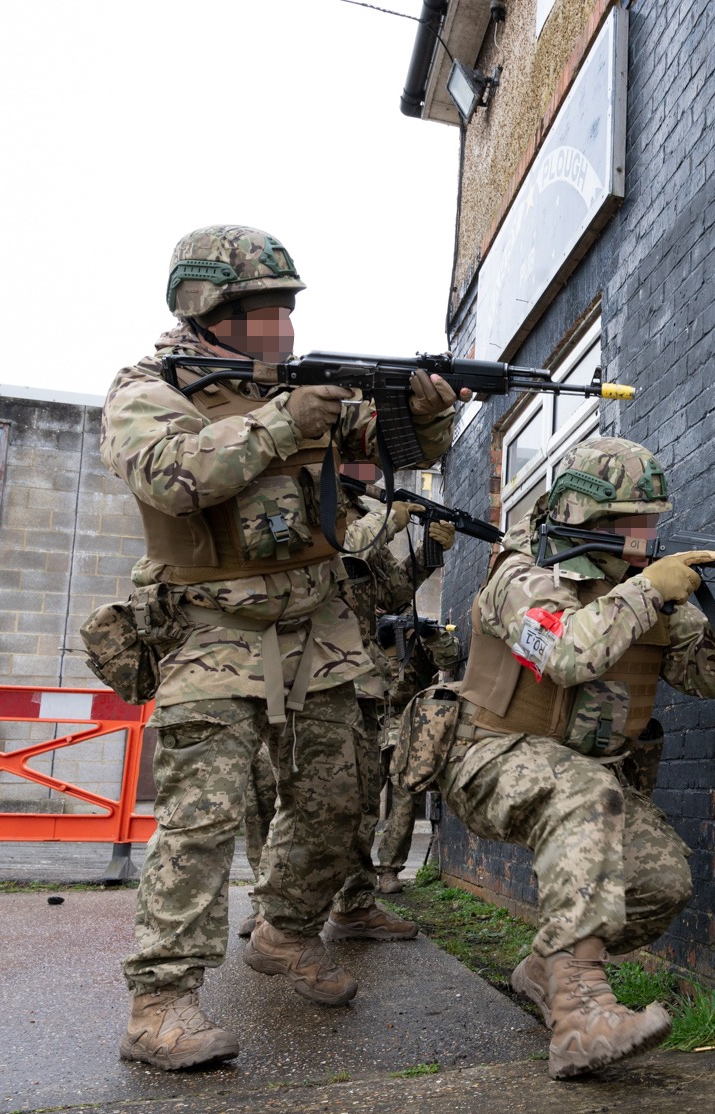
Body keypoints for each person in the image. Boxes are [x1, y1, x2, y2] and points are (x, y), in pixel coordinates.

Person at [103, 225, 457, 1070]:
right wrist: (277, 423)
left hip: (320, 625)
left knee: (344, 795)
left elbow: (394, 451)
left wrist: (427, 416)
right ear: (207, 310)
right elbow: (169, 475)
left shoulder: (309, 389)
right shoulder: (148, 388)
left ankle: (285, 930)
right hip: (211, 623)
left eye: (286, 309)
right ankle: (161, 1001)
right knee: (203, 815)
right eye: (262, 310)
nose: (281, 326)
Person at [434, 437, 715, 1079]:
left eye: (650, 521)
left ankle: (546, 968)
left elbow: (704, 678)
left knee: (659, 884)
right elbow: (564, 656)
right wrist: (651, 589)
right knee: (585, 790)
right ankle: (578, 1017)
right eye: (627, 520)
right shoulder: (519, 580)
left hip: (589, 784)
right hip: (488, 757)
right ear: (580, 517)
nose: (644, 536)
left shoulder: (648, 596)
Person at [323, 491, 461, 938]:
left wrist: (429, 552)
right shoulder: (327, 507)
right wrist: (389, 519)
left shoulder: (368, 518)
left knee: (386, 800)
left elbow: (393, 589)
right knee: (339, 802)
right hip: (335, 690)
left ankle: (368, 889)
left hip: (393, 713)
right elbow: (345, 556)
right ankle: (293, 908)